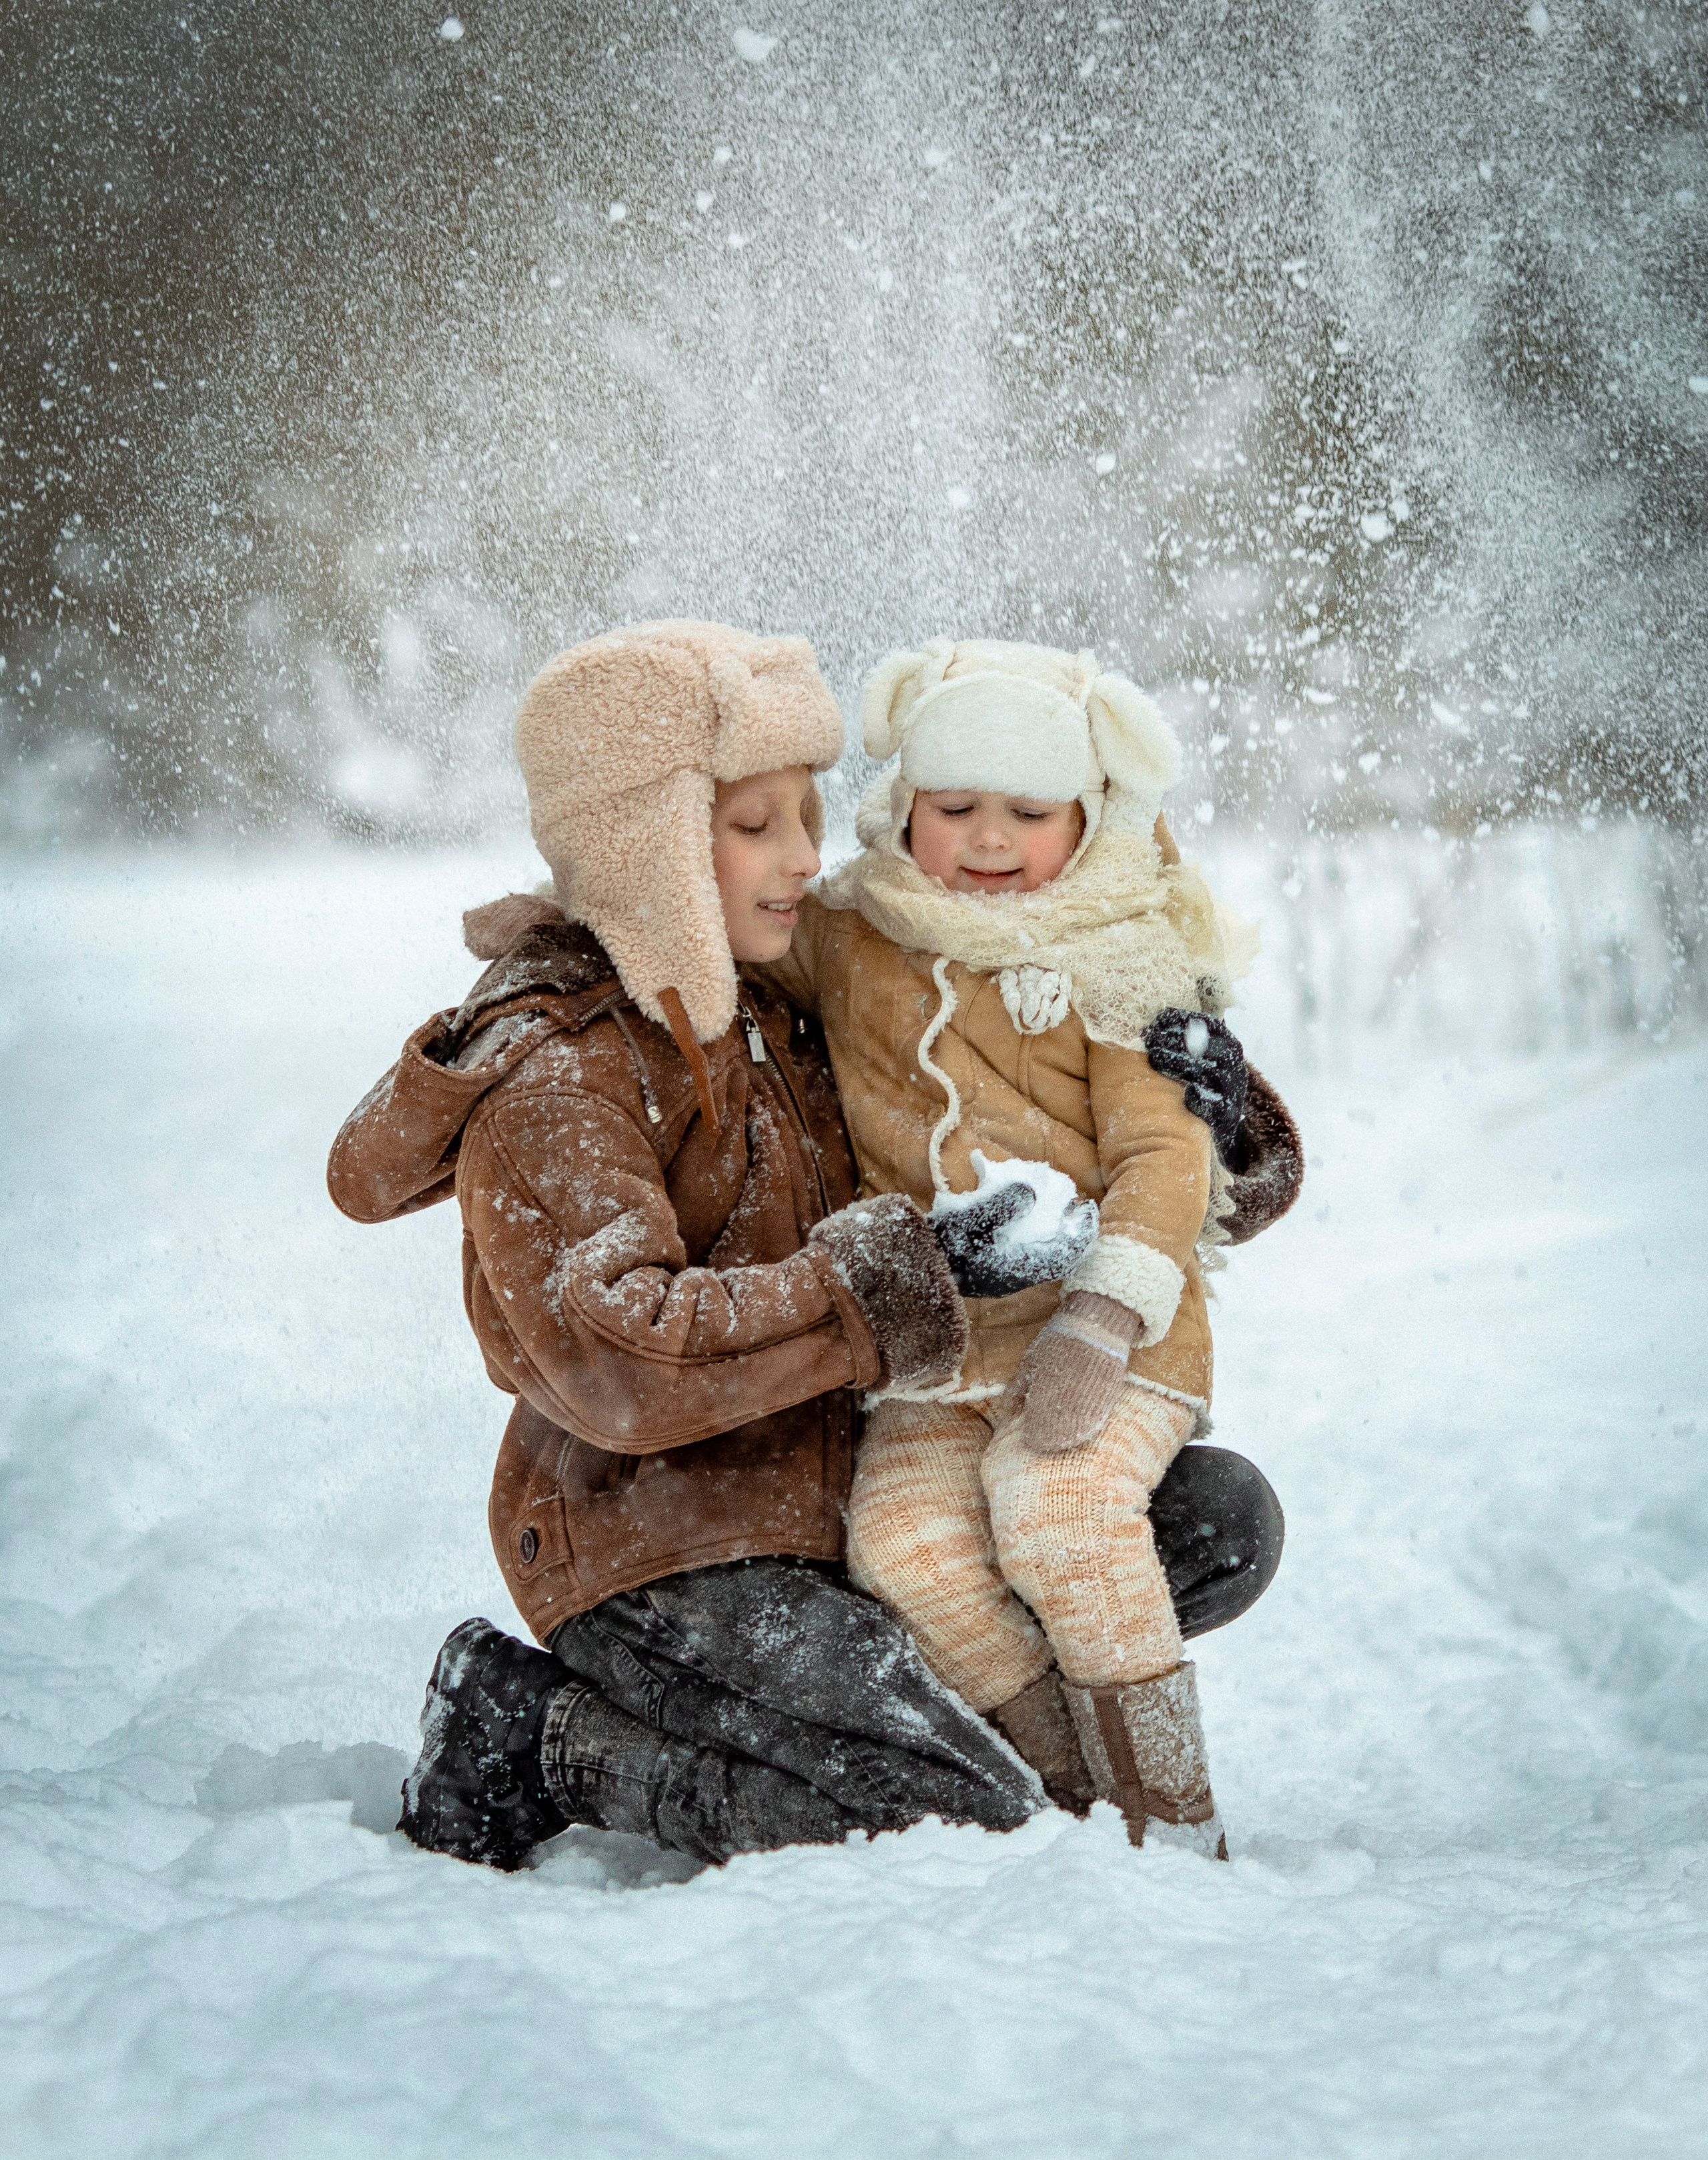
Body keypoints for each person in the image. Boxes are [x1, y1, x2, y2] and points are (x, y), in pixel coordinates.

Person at [326, 620, 1293, 1873]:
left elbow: (1023, 1074)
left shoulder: (778, 989)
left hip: (837, 1482)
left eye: (809, 813)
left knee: (1213, 1523)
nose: (806, 855)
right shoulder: (563, 1073)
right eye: (755, 825)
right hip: (671, 1541)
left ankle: (1017, 1755)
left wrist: (1214, 1106)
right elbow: (624, 1363)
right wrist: (913, 1275)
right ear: (652, 845)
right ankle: (543, 1737)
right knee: (962, 1822)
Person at [756, 638, 1302, 1855]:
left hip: (1112, 1334)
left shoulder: (1121, 947)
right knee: (906, 1547)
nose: (989, 839)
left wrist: (1102, 1318)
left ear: (1087, 811)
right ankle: (1062, 1789)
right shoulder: (858, 933)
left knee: (1056, 1501)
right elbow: (735, 940)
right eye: (955, 808)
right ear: (907, 806)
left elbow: (1170, 1160)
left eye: (1027, 811)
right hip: (937, 1354)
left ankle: (1172, 1811)